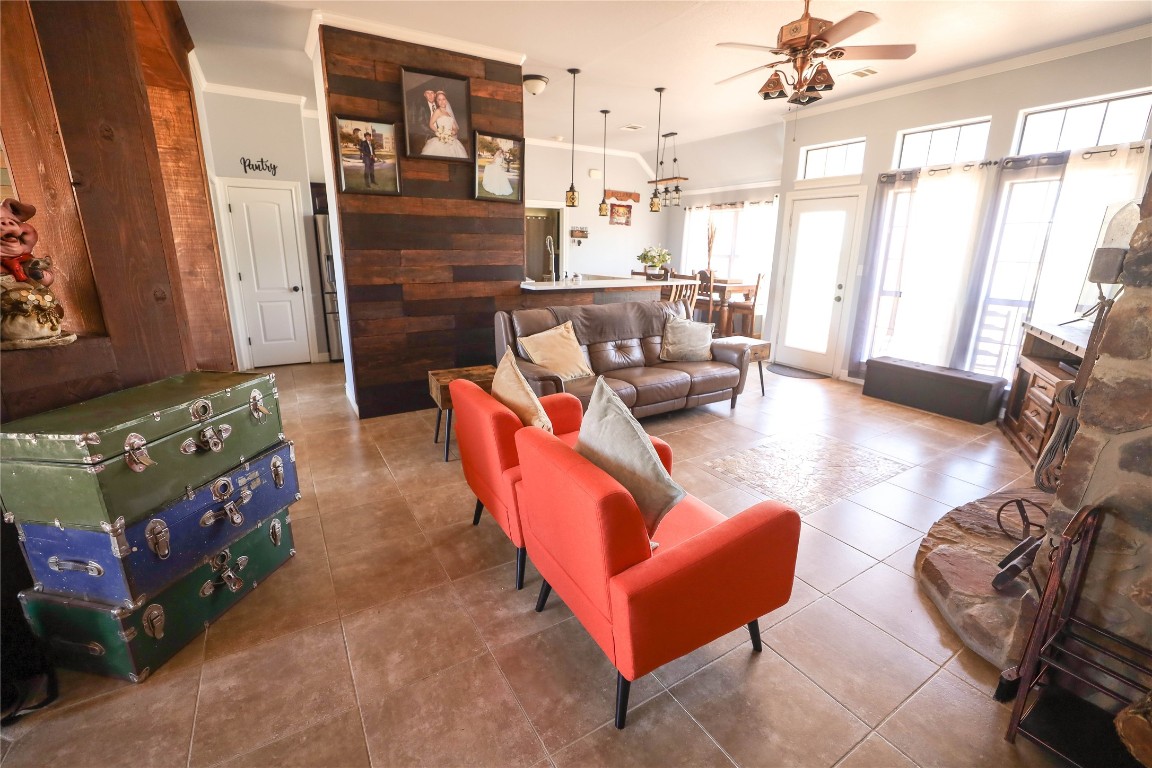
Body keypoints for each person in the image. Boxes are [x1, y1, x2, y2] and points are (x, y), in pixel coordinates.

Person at [421, 91, 468, 158]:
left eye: (443, 99)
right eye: (439, 100)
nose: (442, 101)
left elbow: (455, 127)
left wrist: (454, 131)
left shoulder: (449, 114)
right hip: (441, 139)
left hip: (451, 140)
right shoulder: (437, 111)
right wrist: (439, 132)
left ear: (446, 100)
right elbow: (431, 124)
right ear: (437, 101)